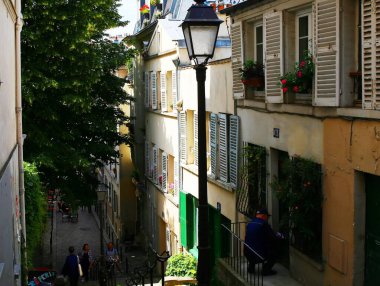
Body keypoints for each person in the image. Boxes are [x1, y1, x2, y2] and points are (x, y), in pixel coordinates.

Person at [244, 208, 282, 276]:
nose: (267, 218)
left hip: (247, 253)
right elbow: (273, 237)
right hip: (259, 255)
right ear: (263, 216)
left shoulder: (250, 223)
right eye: (267, 216)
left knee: (254, 245)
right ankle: (266, 270)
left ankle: (251, 268)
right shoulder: (264, 224)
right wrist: (280, 236)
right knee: (275, 252)